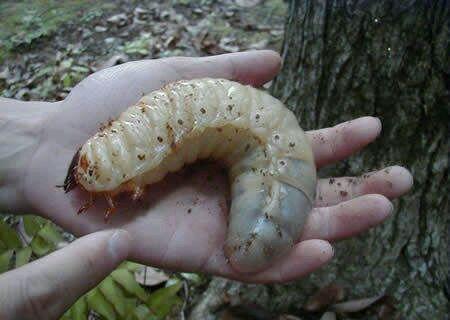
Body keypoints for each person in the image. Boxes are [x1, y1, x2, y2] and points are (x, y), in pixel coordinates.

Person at [0, 50, 413, 319]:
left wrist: (33, 142)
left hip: (262, 134)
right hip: (224, 124)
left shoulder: (263, 142)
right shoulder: (150, 139)